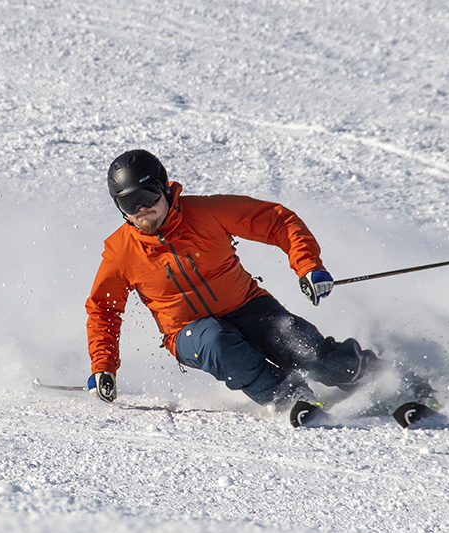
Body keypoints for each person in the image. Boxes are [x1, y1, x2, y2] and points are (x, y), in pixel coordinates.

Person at [85, 149, 418, 426]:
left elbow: (277, 220)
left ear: (165, 189)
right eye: (131, 204)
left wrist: (308, 267)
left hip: (247, 305)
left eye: (148, 196)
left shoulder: (207, 213)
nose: (143, 210)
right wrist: (103, 367)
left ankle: (385, 377)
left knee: (305, 349)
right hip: (187, 332)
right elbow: (104, 308)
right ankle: (289, 398)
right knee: (219, 342)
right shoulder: (121, 251)